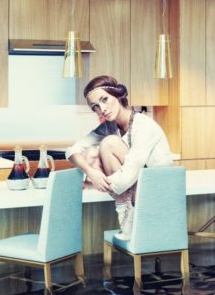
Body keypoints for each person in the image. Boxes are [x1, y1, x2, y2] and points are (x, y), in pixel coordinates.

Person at [65, 75, 173, 240]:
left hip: (155, 191)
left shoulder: (143, 125)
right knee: (91, 154)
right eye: (95, 106)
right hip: (133, 189)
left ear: (118, 95)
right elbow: (71, 151)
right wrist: (90, 172)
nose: (102, 109)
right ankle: (126, 220)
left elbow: (126, 179)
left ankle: (129, 220)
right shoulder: (109, 126)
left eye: (105, 100)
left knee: (108, 143)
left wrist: (89, 183)